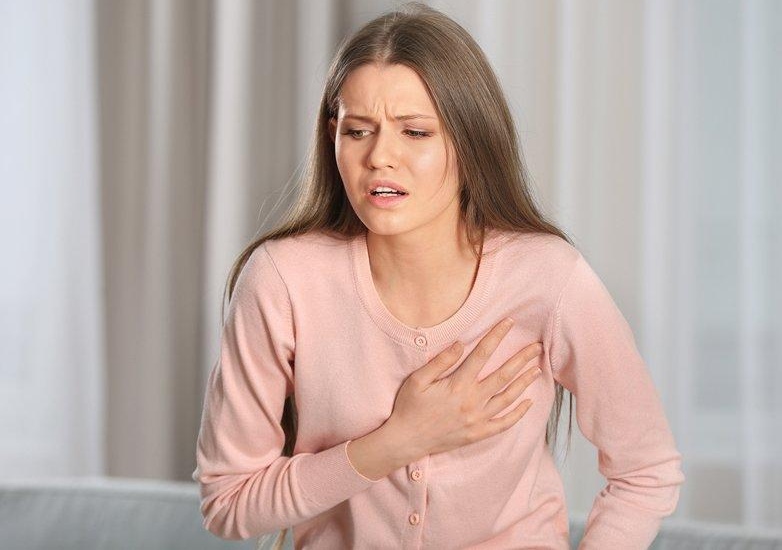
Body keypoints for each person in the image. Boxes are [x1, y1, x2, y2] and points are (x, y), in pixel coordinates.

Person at [191, 2, 685, 549]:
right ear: (333, 138)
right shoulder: (283, 280)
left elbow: (647, 470)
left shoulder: (548, 277)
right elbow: (228, 502)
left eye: (415, 132)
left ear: (468, 142)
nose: (380, 157)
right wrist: (396, 442)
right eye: (358, 131)